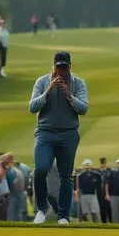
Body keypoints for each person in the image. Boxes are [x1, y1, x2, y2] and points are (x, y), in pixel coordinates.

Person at [28, 50, 89, 225]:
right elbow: (32, 107)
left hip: (68, 133)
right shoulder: (42, 82)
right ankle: (42, 209)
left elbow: (83, 109)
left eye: (65, 68)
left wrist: (70, 96)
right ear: (53, 66)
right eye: (58, 67)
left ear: (70, 66)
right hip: (45, 132)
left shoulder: (78, 83)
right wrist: (48, 91)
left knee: (66, 176)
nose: (61, 71)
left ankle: (63, 215)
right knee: (40, 169)